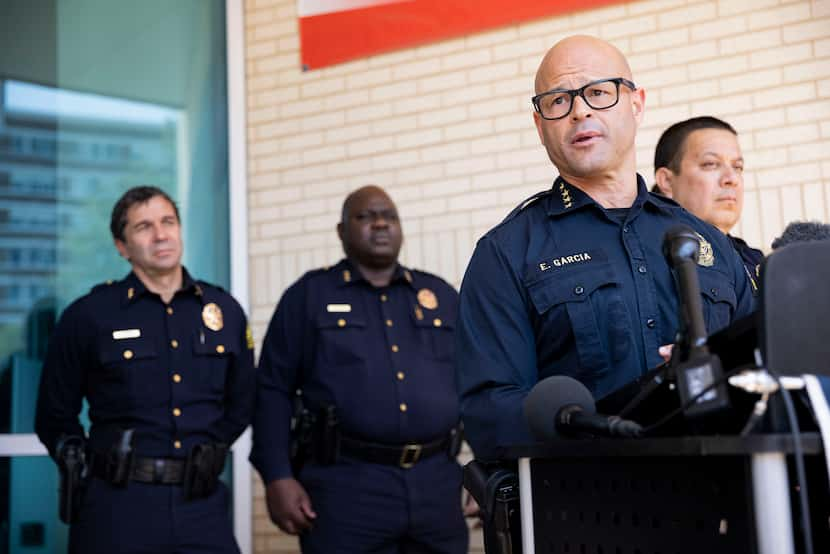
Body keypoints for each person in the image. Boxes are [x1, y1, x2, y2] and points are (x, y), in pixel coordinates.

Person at [454, 35, 756, 459]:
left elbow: (762, 375)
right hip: (587, 508)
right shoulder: (506, 254)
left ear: (636, 105)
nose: (580, 110)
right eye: (558, 101)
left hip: (722, 497)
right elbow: (489, 415)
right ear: (541, 127)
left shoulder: (707, 243)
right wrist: (589, 425)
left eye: (598, 92)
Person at [35, 185, 255, 554]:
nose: (161, 234)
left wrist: (216, 445)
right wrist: (76, 459)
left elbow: (244, 397)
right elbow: (53, 414)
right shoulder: (89, 316)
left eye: (168, 221)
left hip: (200, 504)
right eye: (143, 227)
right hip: (116, 507)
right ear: (122, 247)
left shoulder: (224, 311)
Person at [250, 185, 469, 553]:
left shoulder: (440, 296)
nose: (380, 224)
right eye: (365, 216)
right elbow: (272, 390)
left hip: (438, 485)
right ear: (342, 231)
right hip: (345, 487)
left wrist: (487, 469)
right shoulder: (309, 296)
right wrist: (277, 476)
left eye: (389, 216)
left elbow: (476, 383)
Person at [653, 116, 763, 292]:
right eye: (710, 164)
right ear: (666, 181)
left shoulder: (754, 260)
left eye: (737, 167)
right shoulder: (646, 256)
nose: (732, 179)